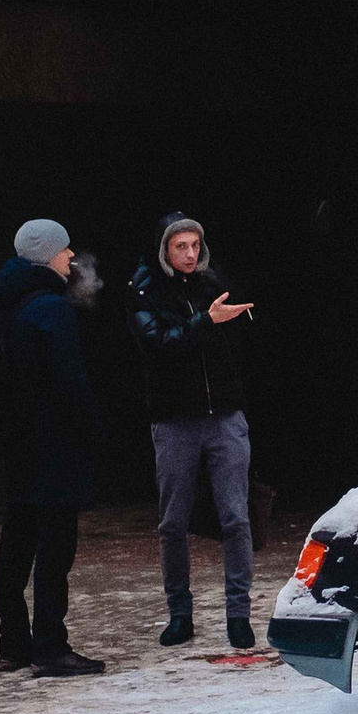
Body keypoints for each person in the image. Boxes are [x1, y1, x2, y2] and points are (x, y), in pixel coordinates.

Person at [128, 212, 259, 650]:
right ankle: (179, 613)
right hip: (174, 420)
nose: (189, 254)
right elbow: (158, 344)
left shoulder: (215, 283)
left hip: (224, 415)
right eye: (180, 246)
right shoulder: (145, 289)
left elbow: (242, 344)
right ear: (164, 251)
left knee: (236, 517)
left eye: (194, 245)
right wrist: (206, 322)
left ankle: (238, 614)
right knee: (173, 522)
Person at [0, 218, 107, 678]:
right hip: (54, 447)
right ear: (47, 255)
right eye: (64, 248)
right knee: (55, 550)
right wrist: (92, 432)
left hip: (15, 444)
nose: (71, 255)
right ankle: (51, 645)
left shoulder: (3, 301)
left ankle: (13, 645)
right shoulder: (52, 309)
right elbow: (70, 383)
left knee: (16, 546)